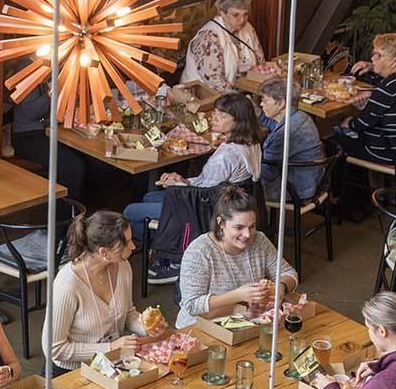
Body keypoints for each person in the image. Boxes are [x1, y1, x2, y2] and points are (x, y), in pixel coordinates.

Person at [126, 93, 265, 282]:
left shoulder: (227, 156)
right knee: (149, 197)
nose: (214, 118)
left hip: (206, 208)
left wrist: (181, 182)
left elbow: (202, 193)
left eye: (222, 116)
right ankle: (158, 244)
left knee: (130, 210)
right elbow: (208, 183)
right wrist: (182, 180)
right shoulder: (252, 142)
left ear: (238, 121)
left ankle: (170, 253)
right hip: (229, 200)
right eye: (215, 113)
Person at [47, 211, 168, 372]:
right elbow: (54, 349)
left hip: (111, 365)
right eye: (127, 242)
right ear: (104, 252)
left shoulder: (123, 266)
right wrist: (110, 347)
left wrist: (145, 326)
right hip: (73, 371)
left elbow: (128, 312)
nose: (133, 246)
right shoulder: (67, 285)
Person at [176, 185, 300, 329]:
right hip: (199, 328)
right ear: (220, 223)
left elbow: (289, 274)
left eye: (252, 226)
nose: (247, 234)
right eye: (239, 227)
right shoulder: (199, 251)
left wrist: (281, 287)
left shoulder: (259, 240)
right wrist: (238, 295)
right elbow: (191, 305)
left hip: (246, 323)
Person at [332, 33, 396, 177]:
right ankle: (378, 191)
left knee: (336, 136)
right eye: (373, 53)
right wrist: (372, 68)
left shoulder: (388, 87)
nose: (373, 58)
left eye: (379, 55)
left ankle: (347, 195)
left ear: (395, 61)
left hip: (392, 155)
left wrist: (348, 122)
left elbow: (362, 123)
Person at [9, 86, 88, 198]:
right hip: (27, 135)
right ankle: (67, 211)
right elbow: (30, 113)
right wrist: (52, 92)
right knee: (72, 164)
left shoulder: (61, 72)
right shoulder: (30, 73)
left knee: (91, 160)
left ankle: (91, 210)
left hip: (54, 132)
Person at [257, 78, 325, 204]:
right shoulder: (301, 116)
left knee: (238, 185)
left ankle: (258, 223)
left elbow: (267, 174)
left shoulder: (283, 134)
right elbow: (272, 123)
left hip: (297, 190)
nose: (261, 104)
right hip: (312, 180)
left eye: (264, 100)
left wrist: (245, 158)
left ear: (281, 103)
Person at [180, 0, 265, 90]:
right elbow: (215, 82)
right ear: (222, 13)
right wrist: (240, 99)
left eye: (245, 14)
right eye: (235, 15)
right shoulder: (209, 37)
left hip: (240, 87)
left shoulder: (247, 27)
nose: (242, 20)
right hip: (204, 94)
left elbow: (260, 60)